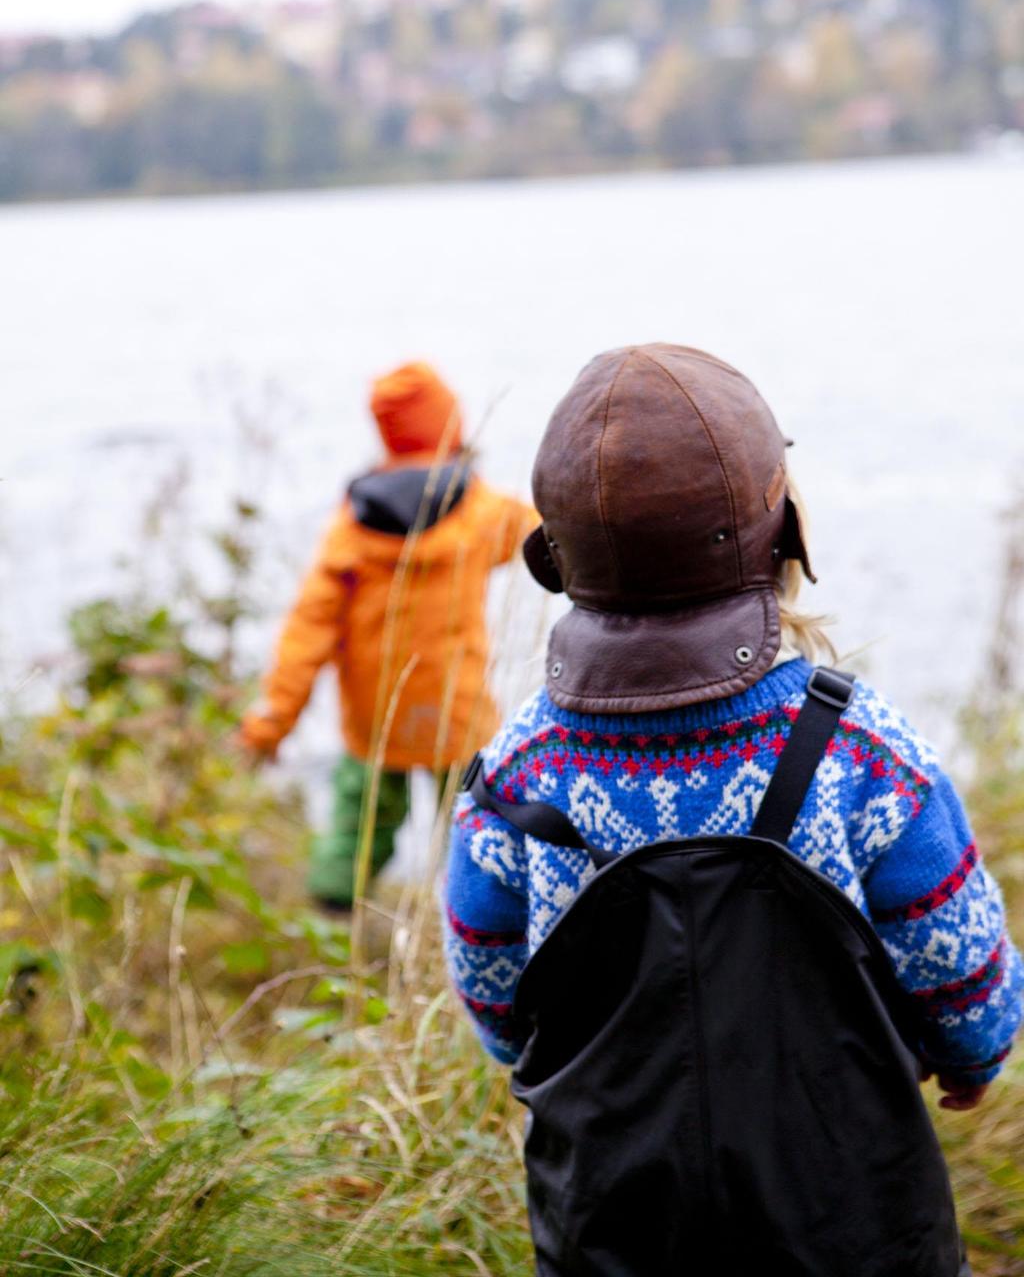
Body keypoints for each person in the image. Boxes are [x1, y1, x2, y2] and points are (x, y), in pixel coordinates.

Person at [444, 343, 1023, 1277]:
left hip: (613, 1226)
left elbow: (498, 1001)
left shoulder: (517, 774)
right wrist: (971, 1056)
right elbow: (964, 974)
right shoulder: (860, 747)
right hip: (855, 1226)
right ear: (781, 531)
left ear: (557, 555)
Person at [242, 360, 536, 910]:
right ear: (450, 424)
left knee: (358, 824)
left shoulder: (352, 525)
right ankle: (478, 923)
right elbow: (546, 530)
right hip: (457, 710)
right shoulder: (480, 509)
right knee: (478, 827)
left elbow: (307, 632)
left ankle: (332, 920)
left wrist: (271, 724)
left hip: (376, 717)